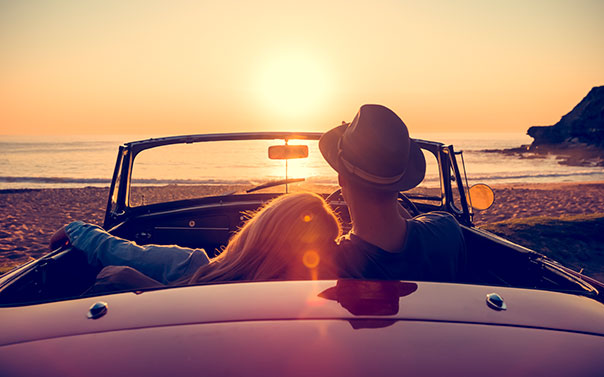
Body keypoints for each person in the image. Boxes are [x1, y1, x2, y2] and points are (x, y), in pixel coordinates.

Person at [50, 192, 341, 290]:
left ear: (256, 232)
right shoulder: (315, 302)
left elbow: (119, 252)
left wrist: (75, 229)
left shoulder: (193, 267)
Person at [319, 104, 466, 282]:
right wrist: (383, 183)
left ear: (341, 179)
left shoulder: (330, 263)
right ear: (402, 181)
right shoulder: (446, 230)